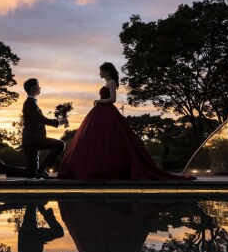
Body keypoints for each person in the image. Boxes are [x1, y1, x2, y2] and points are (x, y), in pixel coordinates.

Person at [57, 62, 195, 181]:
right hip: (101, 112)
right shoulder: (107, 82)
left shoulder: (111, 82)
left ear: (107, 71)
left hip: (106, 111)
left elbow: (113, 99)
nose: (99, 73)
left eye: (101, 70)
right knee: (95, 139)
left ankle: (105, 169)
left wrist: (99, 100)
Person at [0, 78, 68, 179]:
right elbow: (41, 119)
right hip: (33, 140)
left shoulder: (32, 103)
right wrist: (60, 122)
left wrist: (60, 119)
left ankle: (1, 167)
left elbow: (38, 119)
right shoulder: (29, 104)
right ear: (32, 88)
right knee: (60, 145)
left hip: (31, 140)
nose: (40, 87)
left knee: (31, 173)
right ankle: (42, 171)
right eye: (37, 85)